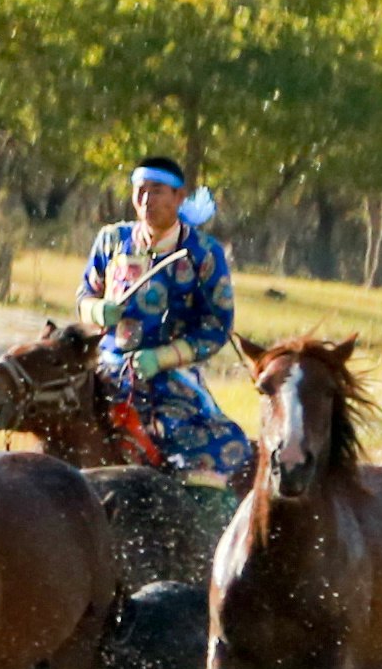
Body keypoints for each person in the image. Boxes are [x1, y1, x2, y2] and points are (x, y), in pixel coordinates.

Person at [76, 157, 251, 485]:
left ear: (179, 196)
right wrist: (95, 310)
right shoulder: (112, 241)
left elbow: (217, 327)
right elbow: (85, 294)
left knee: (210, 445)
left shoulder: (203, 253)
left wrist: (163, 357)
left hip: (168, 378)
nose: (146, 200)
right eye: (140, 191)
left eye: (157, 191)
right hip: (106, 369)